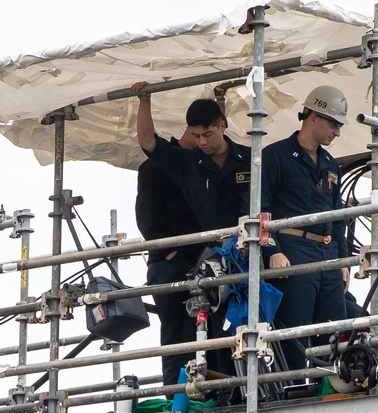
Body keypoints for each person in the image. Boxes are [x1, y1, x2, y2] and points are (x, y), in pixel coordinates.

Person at [134, 81, 252, 382]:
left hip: (240, 258)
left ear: (223, 125)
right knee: (182, 338)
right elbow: (148, 141)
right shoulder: (186, 163)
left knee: (231, 330)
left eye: (207, 134)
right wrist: (144, 101)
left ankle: (234, 392)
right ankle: (181, 400)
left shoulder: (252, 158)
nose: (202, 141)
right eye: (195, 135)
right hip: (196, 261)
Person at [261, 86, 350, 371]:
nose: (336, 132)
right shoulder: (275, 156)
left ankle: (331, 390)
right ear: (313, 117)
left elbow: (338, 217)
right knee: (295, 331)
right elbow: (259, 208)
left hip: (328, 255)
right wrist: (273, 248)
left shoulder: (330, 164)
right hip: (294, 252)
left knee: (334, 330)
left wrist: (344, 260)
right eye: (333, 123)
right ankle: (294, 392)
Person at [135, 128, 203, 387]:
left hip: (196, 261)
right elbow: (146, 217)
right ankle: (176, 396)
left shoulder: (198, 166)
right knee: (177, 333)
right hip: (171, 263)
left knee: (200, 332)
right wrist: (168, 251)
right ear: (192, 131)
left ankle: (199, 393)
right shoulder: (155, 167)